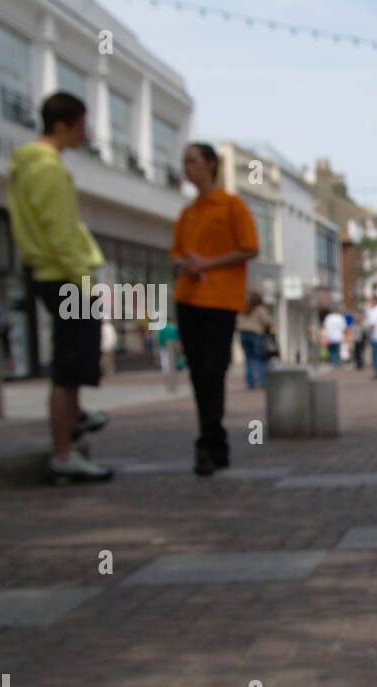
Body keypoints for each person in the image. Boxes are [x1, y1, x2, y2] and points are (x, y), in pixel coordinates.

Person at [8, 92, 112, 483]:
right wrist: (85, 284)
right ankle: (63, 452)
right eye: (82, 127)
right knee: (69, 368)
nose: (85, 136)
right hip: (64, 275)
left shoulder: (28, 166)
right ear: (63, 125)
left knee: (73, 362)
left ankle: (78, 420)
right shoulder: (46, 169)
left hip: (52, 272)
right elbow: (61, 231)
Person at [170, 142, 259, 475]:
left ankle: (210, 443)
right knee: (196, 374)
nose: (187, 167)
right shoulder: (187, 213)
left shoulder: (232, 206)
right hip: (188, 299)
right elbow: (176, 252)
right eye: (185, 161)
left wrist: (209, 262)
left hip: (220, 301)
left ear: (211, 165)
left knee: (212, 372)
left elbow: (250, 248)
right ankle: (211, 442)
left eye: (193, 161)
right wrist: (185, 263)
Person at [237, 292, 270, 389]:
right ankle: (262, 381)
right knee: (259, 358)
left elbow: (237, 320)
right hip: (256, 335)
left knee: (248, 360)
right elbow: (266, 321)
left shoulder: (244, 308)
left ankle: (250, 384)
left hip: (243, 334)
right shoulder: (260, 309)